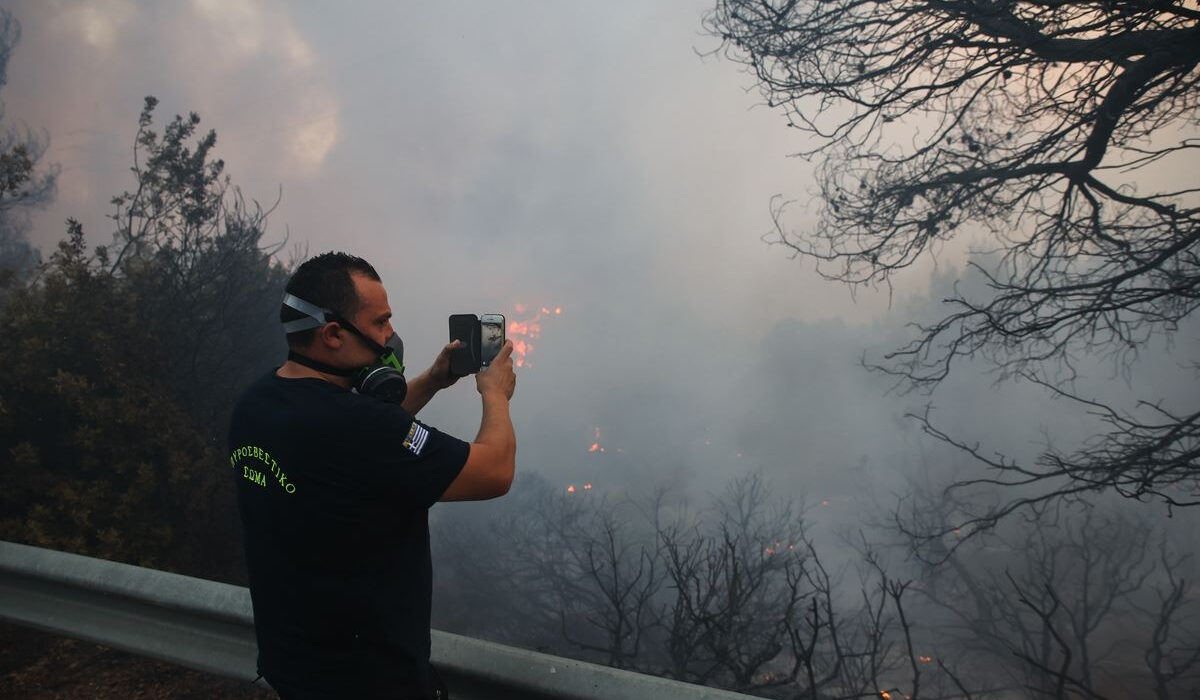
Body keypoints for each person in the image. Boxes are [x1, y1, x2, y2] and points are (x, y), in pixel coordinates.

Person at [227, 252, 517, 699]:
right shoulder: (360, 429)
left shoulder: (258, 404)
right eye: (380, 322)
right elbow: (494, 472)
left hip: (296, 669)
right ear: (333, 334)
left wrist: (432, 380)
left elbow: (354, 453)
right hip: (371, 681)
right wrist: (495, 394)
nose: (390, 336)